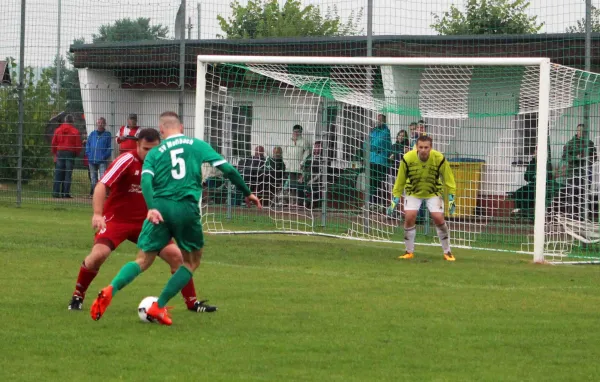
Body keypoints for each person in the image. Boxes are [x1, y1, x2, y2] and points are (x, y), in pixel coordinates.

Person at [90, 111, 261, 325]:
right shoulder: (196, 145)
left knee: (142, 260)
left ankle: (110, 288)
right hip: (186, 208)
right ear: (182, 127)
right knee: (191, 261)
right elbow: (227, 169)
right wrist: (247, 192)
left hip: (159, 208)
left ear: (161, 131)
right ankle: (158, 306)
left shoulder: (154, 152)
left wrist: (151, 208)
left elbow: (146, 182)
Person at [69, 128, 212, 313]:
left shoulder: (165, 163)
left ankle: (192, 303)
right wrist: (97, 214)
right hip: (117, 220)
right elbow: (102, 184)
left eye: (154, 149)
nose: (150, 153)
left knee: (177, 257)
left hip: (149, 222)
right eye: (146, 149)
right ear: (137, 145)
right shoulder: (127, 160)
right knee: (98, 255)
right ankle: (77, 296)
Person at [387, 135, 457, 261]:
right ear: (416, 147)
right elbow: (400, 179)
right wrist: (395, 198)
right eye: (421, 147)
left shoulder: (439, 158)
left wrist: (451, 197)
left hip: (433, 191)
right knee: (409, 216)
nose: (423, 150)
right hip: (413, 191)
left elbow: (448, 177)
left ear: (431, 148)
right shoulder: (407, 158)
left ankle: (447, 252)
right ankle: (409, 251)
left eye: (426, 147)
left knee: (438, 218)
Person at [557, 123, 598, 220]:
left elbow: (594, 157)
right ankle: (571, 216)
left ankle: (583, 216)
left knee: (584, 194)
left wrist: (587, 158)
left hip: (586, 172)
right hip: (573, 173)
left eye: (583, 131)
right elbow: (565, 156)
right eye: (579, 130)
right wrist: (576, 158)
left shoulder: (590, 143)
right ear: (577, 131)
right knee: (572, 194)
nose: (581, 132)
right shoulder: (570, 143)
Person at [510, 146, 556, 219]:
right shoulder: (531, 163)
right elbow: (526, 177)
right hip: (533, 184)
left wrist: (538, 176)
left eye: (537, 152)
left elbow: (549, 176)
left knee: (530, 194)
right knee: (519, 192)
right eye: (535, 152)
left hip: (544, 185)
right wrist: (534, 176)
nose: (535, 153)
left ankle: (526, 214)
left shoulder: (547, 163)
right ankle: (518, 211)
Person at [51, 114, 82, 198]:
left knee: (58, 173)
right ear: (72, 122)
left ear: (65, 121)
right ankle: (65, 193)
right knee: (68, 174)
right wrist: (76, 153)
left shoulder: (58, 130)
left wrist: (55, 153)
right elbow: (78, 145)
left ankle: (56, 193)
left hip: (60, 152)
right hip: (70, 153)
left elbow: (53, 143)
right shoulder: (75, 131)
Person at [365, 114, 392, 209]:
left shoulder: (386, 132)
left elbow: (378, 144)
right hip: (372, 160)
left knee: (380, 182)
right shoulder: (373, 132)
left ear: (384, 121)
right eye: (377, 119)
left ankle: (382, 203)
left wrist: (371, 146)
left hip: (381, 161)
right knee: (371, 183)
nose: (378, 121)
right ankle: (371, 203)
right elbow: (365, 144)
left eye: (380, 119)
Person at [86, 117, 113, 195]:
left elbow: (109, 147)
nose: (100, 124)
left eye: (102, 123)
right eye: (99, 123)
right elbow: (88, 144)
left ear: (105, 124)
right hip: (92, 160)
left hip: (102, 160)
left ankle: (103, 193)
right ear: (97, 123)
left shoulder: (107, 135)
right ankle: (96, 194)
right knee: (93, 178)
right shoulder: (92, 133)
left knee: (102, 178)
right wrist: (88, 153)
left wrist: (104, 156)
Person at [285, 124, 310, 189]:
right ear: (292, 132)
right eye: (295, 131)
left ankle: (300, 198)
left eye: (298, 131)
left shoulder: (304, 142)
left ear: (301, 132)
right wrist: (286, 163)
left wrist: (302, 163)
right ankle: (292, 198)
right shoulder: (288, 141)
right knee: (291, 186)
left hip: (300, 168)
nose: (296, 133)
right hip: (290, 168)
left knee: (300, 185)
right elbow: (284, 153)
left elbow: (307, 154)